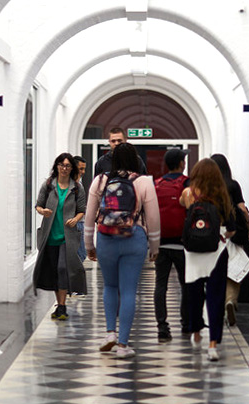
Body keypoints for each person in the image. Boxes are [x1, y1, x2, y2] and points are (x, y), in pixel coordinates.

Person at [85, 143, 160, 359]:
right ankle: (123, 345)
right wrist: (154, 246)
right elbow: (153, 219)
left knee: (110, 286)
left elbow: (90, 216)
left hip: (107, 238)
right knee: (128, 291)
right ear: (135, 160)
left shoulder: (100, 180)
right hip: (133, 238)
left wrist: (89, 244)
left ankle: (110, 333)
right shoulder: (144, 181)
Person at [181, 158, 236, 361]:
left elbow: (182, 210)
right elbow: (231, 228)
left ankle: (195, 331)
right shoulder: (222, 196)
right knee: (216, 296)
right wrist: (221, 233)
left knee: (194, 293)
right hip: (217, 250)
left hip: (193, 251)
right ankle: (213, 344)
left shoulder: (189, 193)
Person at [33, 153, 87, 320]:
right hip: (50, 235)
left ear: (72, 169)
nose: (64, 169)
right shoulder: (48, 185)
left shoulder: (77, 188)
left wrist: (75, 219)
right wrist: (43, 211)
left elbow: (81, 210)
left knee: (63, 269)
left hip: (68, 237)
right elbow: (38, 205)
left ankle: (62, 307)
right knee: (55, 271)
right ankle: (60, 305)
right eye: (62, 165)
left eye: (68, 166)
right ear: (56, 166)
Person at [152, 149, 190, 342]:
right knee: (185, 285)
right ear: (181, 163)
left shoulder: (156, 184)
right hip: (182, 244)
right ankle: (185, 323)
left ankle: (162, 327)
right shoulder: (187, 183)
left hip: (161, 243)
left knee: (161, 285)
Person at [210, 154, 249, 326]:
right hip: (232, 232)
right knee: (235, 269)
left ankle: (218, 306)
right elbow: (243, 210)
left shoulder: (207, 186)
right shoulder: (233, 185)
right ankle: (230, 300)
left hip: (213, 233)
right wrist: (248, 226)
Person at [73, 155, 88, 263]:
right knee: (80, 255)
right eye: (81, 169)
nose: (83, 172)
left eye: (84, 169)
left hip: (80, 223)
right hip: (75, 224)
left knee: (80, 255)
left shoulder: (79, 183)